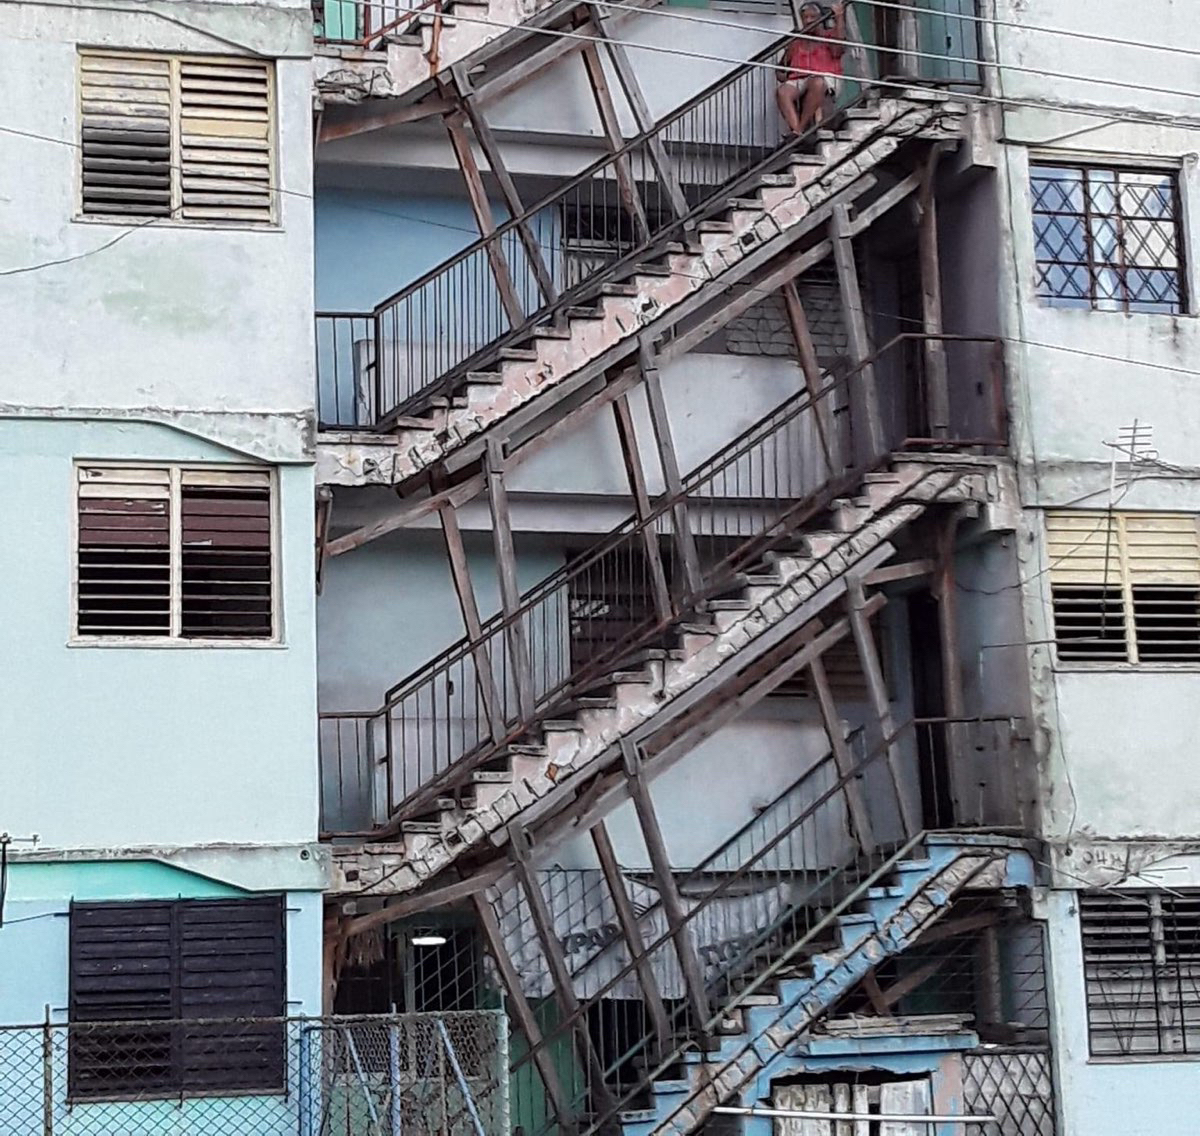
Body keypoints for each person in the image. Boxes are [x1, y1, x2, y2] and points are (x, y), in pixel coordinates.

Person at [776, 1, 846, 137]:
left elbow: (838, 51)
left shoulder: (829, 36)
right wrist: (782, 75)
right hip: (800, 79)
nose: (808, 21)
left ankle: (799, 129)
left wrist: (839, 18)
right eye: (805, 18)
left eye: (812, 17)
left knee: (817, 82)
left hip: (826, 77)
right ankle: (797, 131)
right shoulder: (797, 41)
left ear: (821, 19)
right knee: (782, 91)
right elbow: (780, 69)